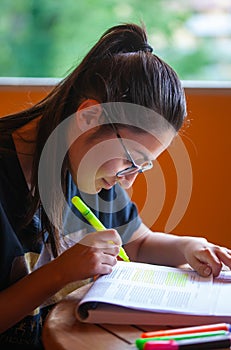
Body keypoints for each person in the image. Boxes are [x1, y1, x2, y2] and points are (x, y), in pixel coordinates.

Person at [0, 23, 231, 349]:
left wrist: (188, 247)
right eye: (129, 160)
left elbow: (137, 243)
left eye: (143, 165)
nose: (129, 179)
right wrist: (59, 273)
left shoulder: (87, 166)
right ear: (89, 116)